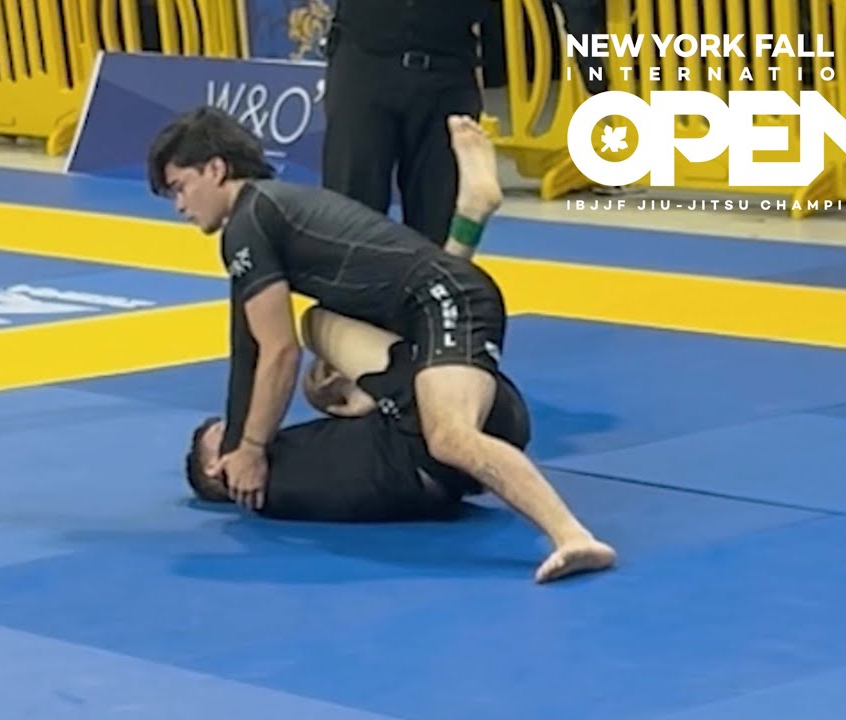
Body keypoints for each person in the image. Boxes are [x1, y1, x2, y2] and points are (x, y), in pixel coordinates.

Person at [147, 107, 615, 582]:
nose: (179, 206)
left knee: (449, 436)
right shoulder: (267, 211)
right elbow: (247, 345)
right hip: (427, 301)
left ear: (215, 169)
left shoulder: (249, 222)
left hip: (447, 300)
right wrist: (243, 440)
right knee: (318, 347)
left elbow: (279, 351)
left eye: (180, 187)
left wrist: (249, 447)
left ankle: (571, 535)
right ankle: (469, 214)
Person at [184, 306, 533, 524]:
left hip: (472, 457)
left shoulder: (280, 472)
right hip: (451, 427)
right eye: (224, 430)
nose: (240, 422)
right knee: (316, 323)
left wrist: (362, 400)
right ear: (214, 466)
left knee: (324, 387)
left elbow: (365, 470)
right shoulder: (268, 482)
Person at [321, 0, 495, 244]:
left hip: (450, 70)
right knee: (350, 213)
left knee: (439, 217)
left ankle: (435, 270)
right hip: (363, 62)